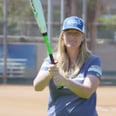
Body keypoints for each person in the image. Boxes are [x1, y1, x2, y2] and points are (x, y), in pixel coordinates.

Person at [33, 16, 102, 116]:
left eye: (76, 33)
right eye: (68, 33)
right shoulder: (51, 60)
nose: (72, 37)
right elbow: (37, 86)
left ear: (82, 37)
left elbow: (87, 92)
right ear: (62, 36)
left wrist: (65, 81)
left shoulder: (93, 61)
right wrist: (50, 72)